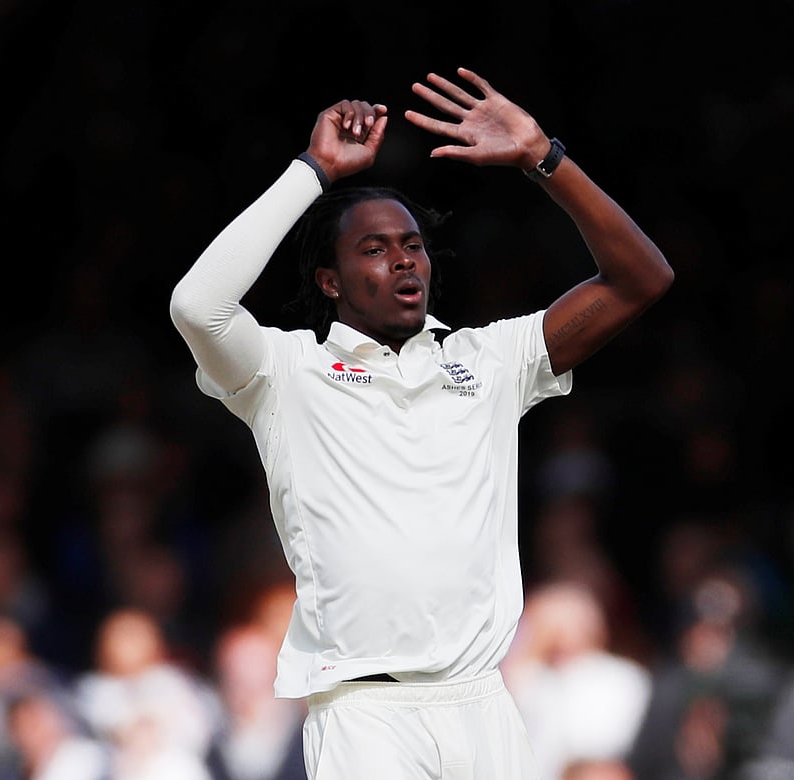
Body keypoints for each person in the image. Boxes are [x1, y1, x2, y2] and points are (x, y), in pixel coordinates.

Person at [169, 66, 673, 779]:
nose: (403, 258)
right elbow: (197, 306)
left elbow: (641, 278)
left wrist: (542, 156)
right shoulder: (284, 374)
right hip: (363, 714)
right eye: (372, 250)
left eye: (412, 244)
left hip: (486, 702)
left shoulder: (491, 359)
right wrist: (312, 171)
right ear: (330, 281)